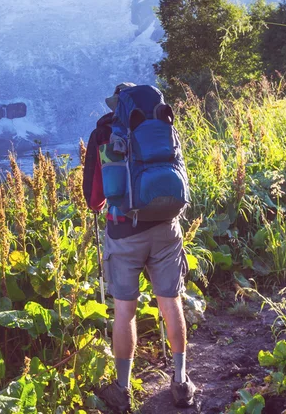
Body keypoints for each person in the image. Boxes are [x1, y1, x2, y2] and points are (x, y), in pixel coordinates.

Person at [86, 83, 197, 413]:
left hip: (124, 233)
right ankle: (180, 382)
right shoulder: (164, 125)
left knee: (125, 310)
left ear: (118, 106)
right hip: (167, 226)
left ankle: (122, 390)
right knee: (171, 303)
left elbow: (94, 199)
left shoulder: (105, 134)